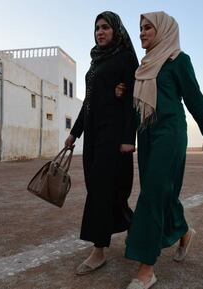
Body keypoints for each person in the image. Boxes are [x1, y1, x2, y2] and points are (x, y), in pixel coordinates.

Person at [123, 12, 203, 289]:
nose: (142, 33)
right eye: (141, 28)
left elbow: (195, 100)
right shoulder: (143, 67)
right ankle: (183, 232)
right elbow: (136, 109)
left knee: (151, 195)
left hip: (170, 133)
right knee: (161, 192)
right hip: (146, 134)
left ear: (164, 31)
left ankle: (146, 269)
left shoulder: (179, 61)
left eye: (148, 28)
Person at [64, 11, 139, 275]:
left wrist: (130, 138)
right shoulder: (96, 61)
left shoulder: (126, 58)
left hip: (114, 136)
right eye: (97, 28)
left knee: (99, 190)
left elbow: (133, 99)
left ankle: (98, 251)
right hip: (94, 136)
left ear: (116, 30)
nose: (100, 32)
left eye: (106, 27)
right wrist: (75, 133)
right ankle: (135, 227)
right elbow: (89, 101)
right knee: (109, 190)